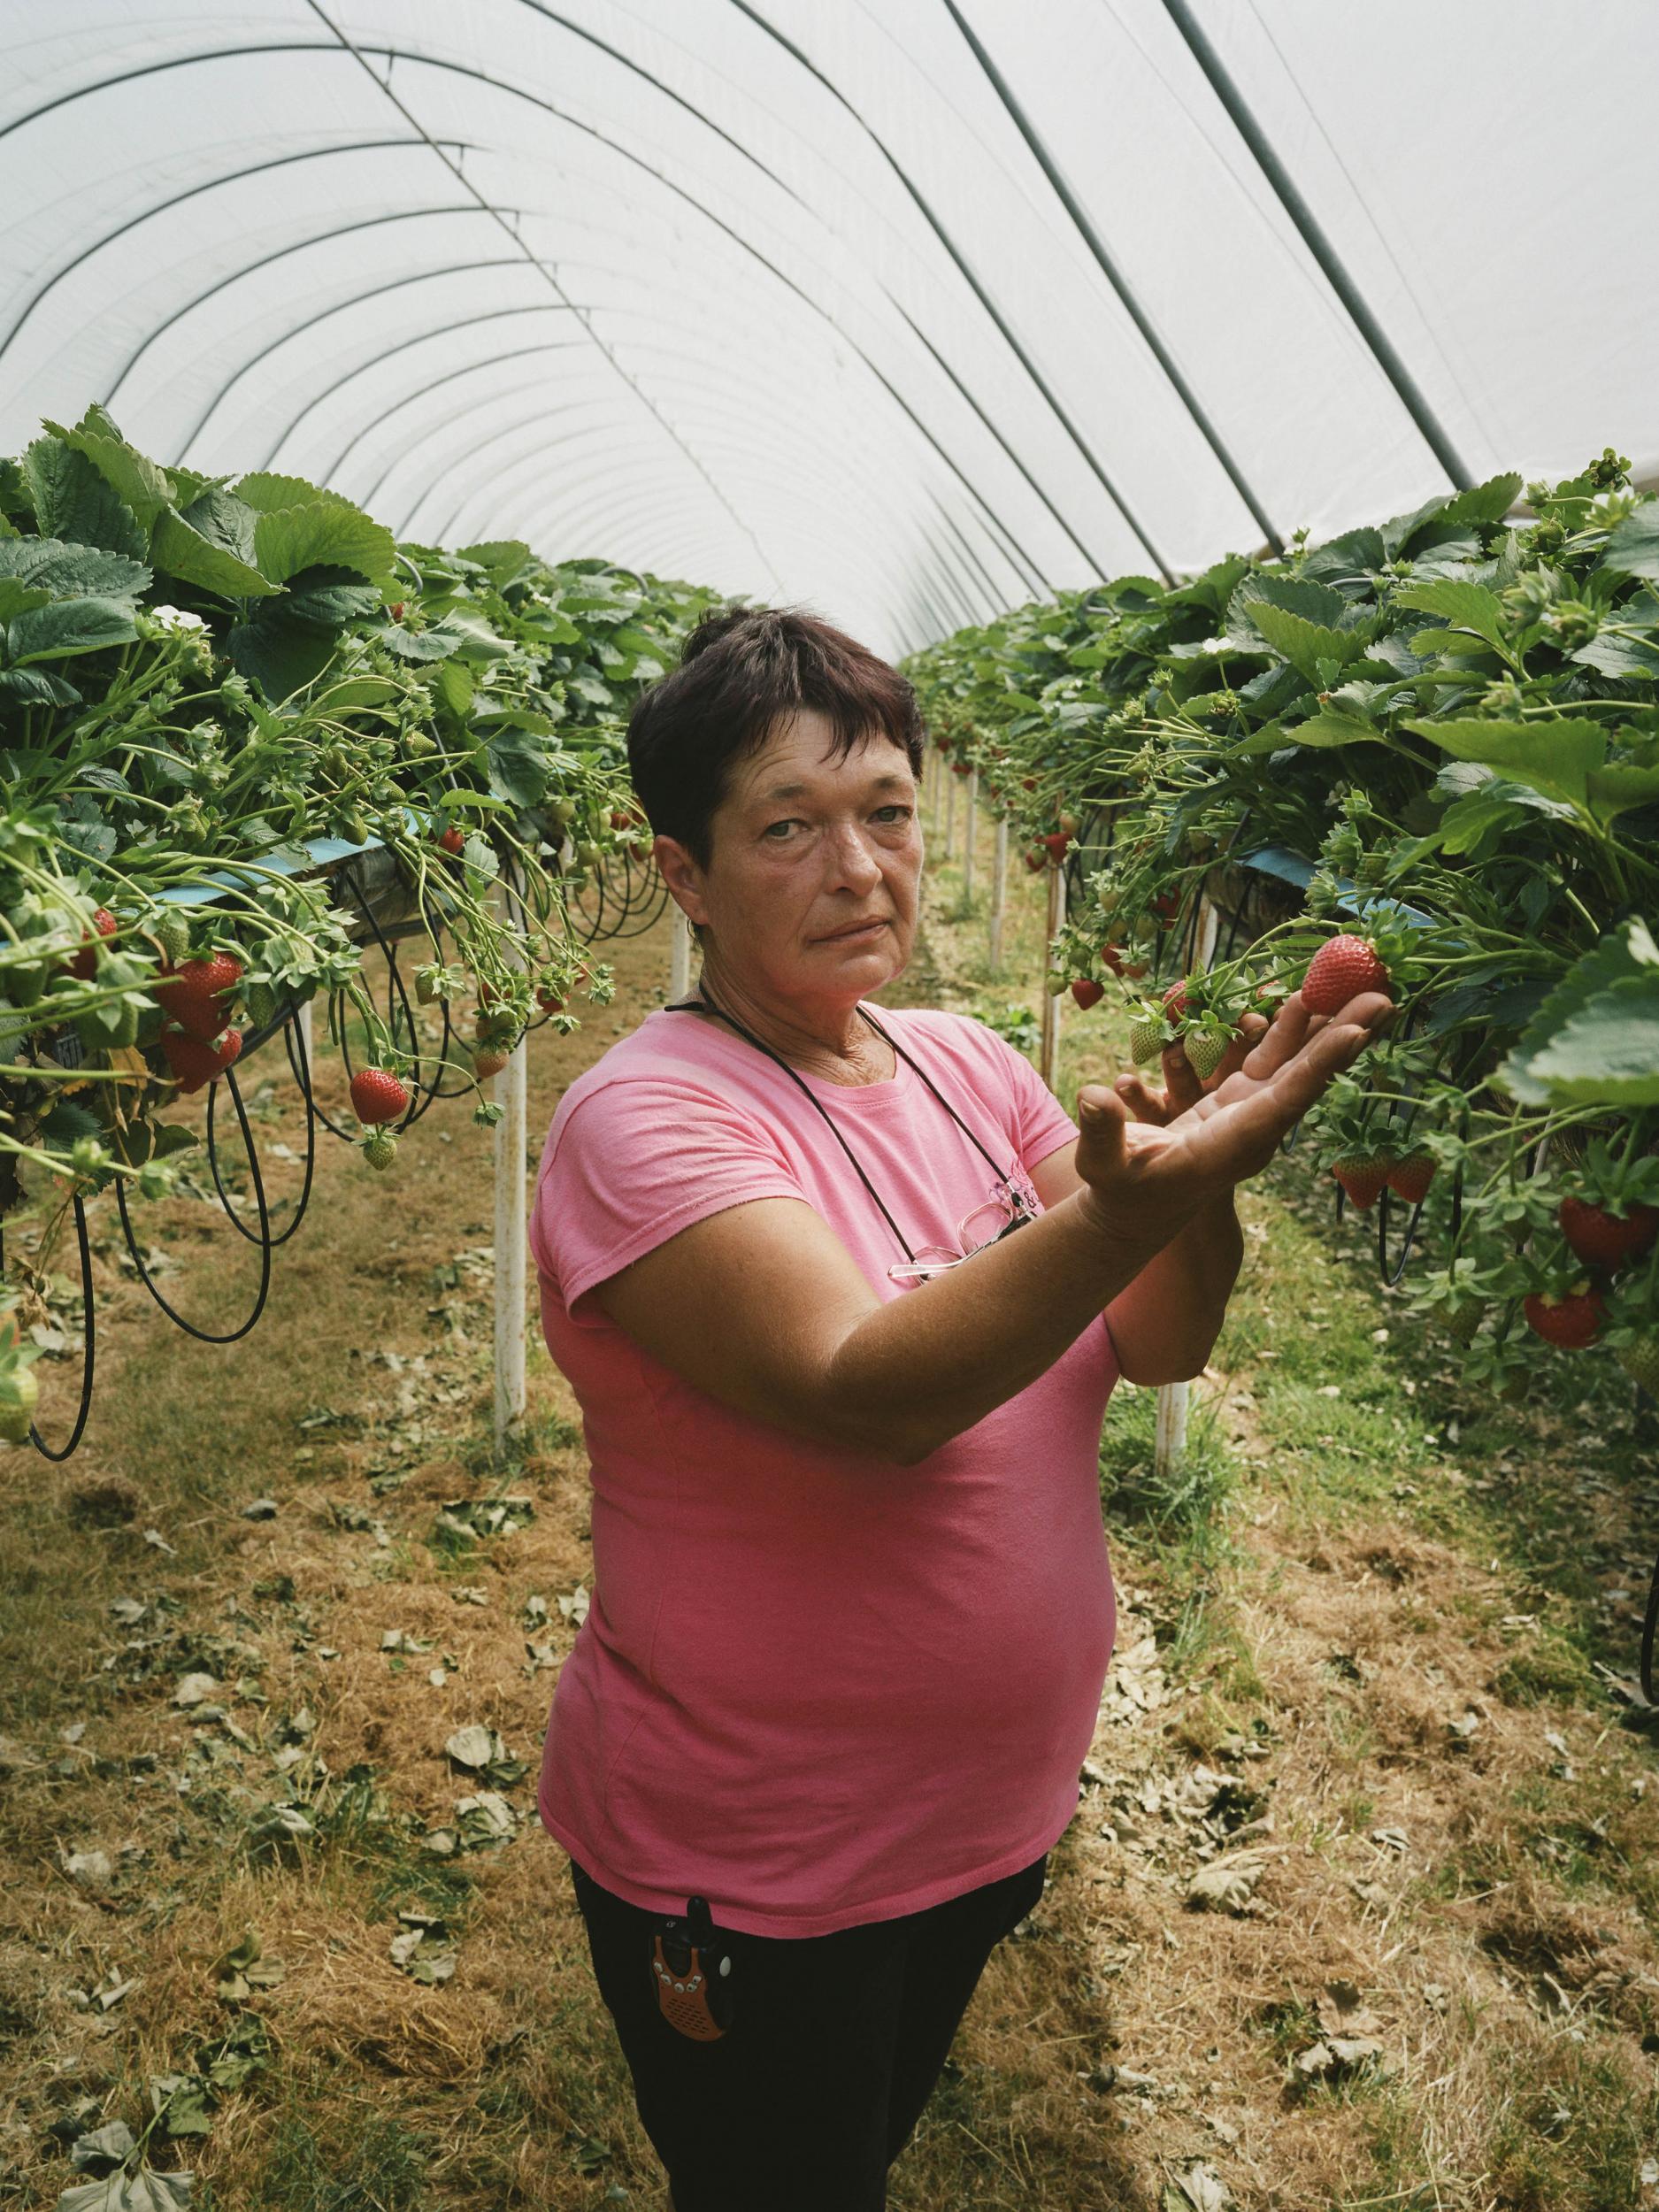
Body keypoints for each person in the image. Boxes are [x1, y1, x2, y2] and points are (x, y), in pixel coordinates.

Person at [528, 606, 1391, 2211]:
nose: (860, 867)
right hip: (761, 1867)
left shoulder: (961, 1062)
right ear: (683, 876)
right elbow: (869, 1394)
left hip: (982, 1825)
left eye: (888, 810)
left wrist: (1198, 1191)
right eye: (788, 826)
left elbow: (1158, 1339)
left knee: (850, 2144)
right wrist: (1133, 1209)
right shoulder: (642, 1119)